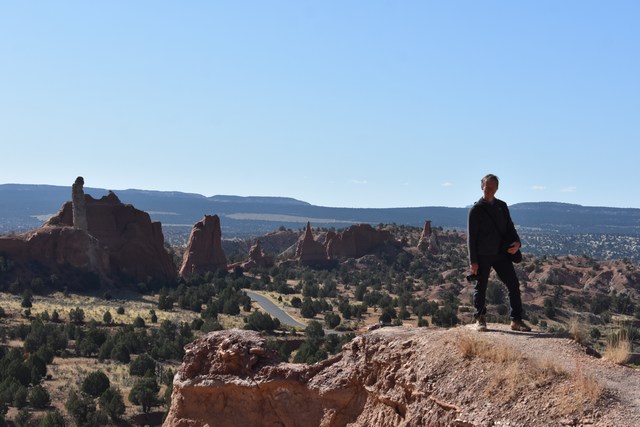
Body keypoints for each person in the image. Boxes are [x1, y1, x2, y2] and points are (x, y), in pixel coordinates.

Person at [467, 174, 531, 332]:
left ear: (497, 188)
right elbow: (471, 237)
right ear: (482, 186)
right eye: (486, 186)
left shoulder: (502, 206)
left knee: (513, 284)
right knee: (481, 286)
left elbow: (510, 228)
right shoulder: (476, 210)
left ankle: (516, 320)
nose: (488, 189)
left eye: (492, 187)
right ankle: (480, 319)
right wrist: (473, 261)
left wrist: (517, 243)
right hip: (483, 254)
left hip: (501, 253)